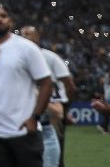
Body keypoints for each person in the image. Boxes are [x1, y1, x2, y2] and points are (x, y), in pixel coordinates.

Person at [0, 2, 51, 167]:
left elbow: (46, 83)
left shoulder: (27, 48)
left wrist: (34, 118)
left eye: (3, 16)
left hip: (23, 130)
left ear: (11, 21)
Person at [21, 25, 76, 167]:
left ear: (37, 37)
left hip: (52, 110)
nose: (26, 37)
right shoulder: (18, 59)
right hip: (27, 111)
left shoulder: (50, 57)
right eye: (23, 34)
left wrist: (65, 107)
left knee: (55, 157)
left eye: (29, 34)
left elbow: (69, 85)